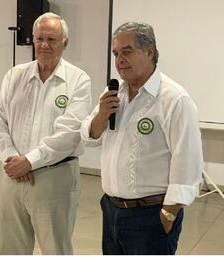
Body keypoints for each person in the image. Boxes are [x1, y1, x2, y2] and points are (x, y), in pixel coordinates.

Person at [81, 21, 203, 255]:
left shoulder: (174, 99)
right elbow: (90, 137)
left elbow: (187, 162)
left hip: (150, 216)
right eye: (116, 54)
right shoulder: (114, 93)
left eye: (127, 51)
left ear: (149, 51)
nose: (119, 60)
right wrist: (101, 116)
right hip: (112, 210)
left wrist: (168, 214)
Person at [0, 12, 92, 254]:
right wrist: (12, 158)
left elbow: (70, 132)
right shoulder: (15, 75)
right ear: (32, 40)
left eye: (52, 39)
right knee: (10, 248)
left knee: (55, 248)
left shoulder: (78, 80)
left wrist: (30, 161)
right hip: (10, 173)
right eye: (39, 39)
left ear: (65, 43)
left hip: (53, 177)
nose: (44, 45)